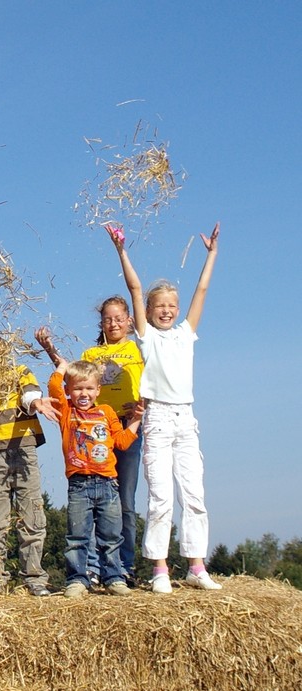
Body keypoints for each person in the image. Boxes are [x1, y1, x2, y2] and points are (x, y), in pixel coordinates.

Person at [109, 222, 223, 593]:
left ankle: (195, 565)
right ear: (150, 310)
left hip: (185, 418)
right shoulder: (146, 337)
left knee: (194, 494)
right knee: (160, 497)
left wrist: (212, 254)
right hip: (156, 416)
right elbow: (135, 287)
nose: (167, 311)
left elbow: (202, 289)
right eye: (161, 306)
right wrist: (121, 250)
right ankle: (160, 568)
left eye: (172, 306)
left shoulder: (186, 332)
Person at [36, 296, 144, 588]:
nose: (114, 323)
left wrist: (138, 415)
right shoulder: (92, 352)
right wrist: (50, 350)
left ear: (130, 320)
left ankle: (123, 567)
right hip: (90, 424)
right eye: (108, 319)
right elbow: (71, 376)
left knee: (123, 501)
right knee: (91, 506)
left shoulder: (138, 347)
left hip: (122, 421)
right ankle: (92, 570)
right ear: (102, 323)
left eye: (119, 318)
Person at [49, 359, 142, 598]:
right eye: (78, 388)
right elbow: (53, 387)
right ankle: (78, 579)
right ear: (69, 390)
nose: (83, 393)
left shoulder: (106, 412)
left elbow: (121, 441)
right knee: (77, 536)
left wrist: (136, 421)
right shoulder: (67, 411)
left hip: (108, 484)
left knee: (111, 536)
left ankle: (114, 577)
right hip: (79, 484)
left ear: (98, 390)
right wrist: (62, 368)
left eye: (89, 388)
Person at [0, 337, 58, 597]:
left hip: (23, 450)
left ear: (5, 351)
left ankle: (34, 577)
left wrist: (35, 403)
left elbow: (29, 393)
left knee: (31, 513)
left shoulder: (19, 371)